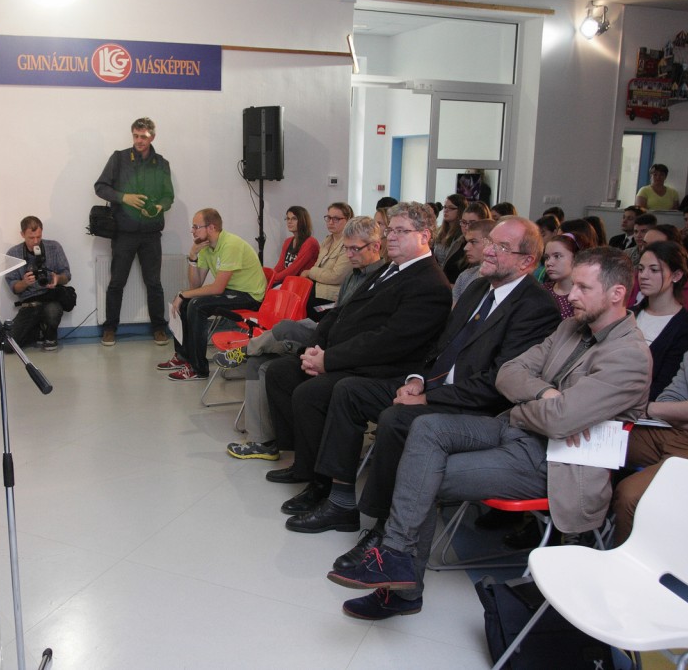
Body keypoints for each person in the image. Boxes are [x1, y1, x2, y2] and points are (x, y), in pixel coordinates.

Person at [328, 247, 650, 620]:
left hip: (556, 462)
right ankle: (396, 558)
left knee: (422, 473)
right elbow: (508, 373)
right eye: (573, 284)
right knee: (424, 426)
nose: (570, 294)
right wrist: (545, 395)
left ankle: (400, 585)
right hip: (515, 430)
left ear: (617, 294)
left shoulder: (630, 356)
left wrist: (530, 406)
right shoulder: (570, 328)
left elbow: (560, 421)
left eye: (583, 287)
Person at [283, 217, 560, 537]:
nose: (488, 251)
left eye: (502, 247)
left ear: (526, 261)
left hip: (477, 407)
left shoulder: (535, 307)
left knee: (397, 419)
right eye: (490, 242)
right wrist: (416, 380)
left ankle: (386, 527)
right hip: (435, 384)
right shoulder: (479, 288)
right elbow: (440, 347)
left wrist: (429, 397)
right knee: (348, 392)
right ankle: (340, 502)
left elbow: (498, 381)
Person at [262, 202, 452, 511]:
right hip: (351, 354)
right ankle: (304, 463)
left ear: (424, 236)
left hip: (385, 369)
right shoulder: (392, 268)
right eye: (390, 230)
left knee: (313, 392)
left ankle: (323, 485)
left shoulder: (429, 283)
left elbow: (388, 342)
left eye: (401, 231)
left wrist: (329, 360)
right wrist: (315, 347)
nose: (391, 237)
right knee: (282, 372)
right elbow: (343, 310)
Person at [224, 217, 388, 461]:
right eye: (346, 248)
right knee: (260, 363)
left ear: (376, 246)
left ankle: (247, 349)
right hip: (328, 328)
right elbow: (338, 310)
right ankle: (261, 441)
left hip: (339, 344)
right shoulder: (355, 275)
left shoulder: (382, 279)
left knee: (286, 328)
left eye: (355, 249)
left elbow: (362, 327)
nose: (349, 255)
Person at [618, 252, 688, 545]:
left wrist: (653, 409)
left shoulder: (687, 332)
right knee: (596, 443)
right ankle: (577, 532)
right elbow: (669, 399)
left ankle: (625, 566)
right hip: (683, 432)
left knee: (630, 495)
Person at [157, 208, 266, 381]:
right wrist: (193, 256)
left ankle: (198, 368)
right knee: (187, 302)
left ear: (211, 227)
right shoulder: (206, 248)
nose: (192, 231)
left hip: (250, 296)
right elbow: (196, 285)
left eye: (196, 226)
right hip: (231, 292)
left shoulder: (230, 245)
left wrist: (183, 294)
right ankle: (183, 357)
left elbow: (218, 288)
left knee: (196, 305)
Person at [95, 116, 174, 347]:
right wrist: (124, 197)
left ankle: (159, 328)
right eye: (136, 136)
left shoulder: (162, 163)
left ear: (152, 137)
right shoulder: (119, 158)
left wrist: (160, 207)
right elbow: (100, 187)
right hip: (124, 233)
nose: (139, 141)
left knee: (154, 283)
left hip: (151, 233)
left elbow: (169, 196)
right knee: (116, 283)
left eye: (144, 137)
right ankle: (110, 329)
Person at [634, 241, 688, 400]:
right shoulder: (629, 314)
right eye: (641, 269)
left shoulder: (685, 327)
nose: (644, 275)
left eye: (654, 270)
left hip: (645, 406)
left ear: (676, 275)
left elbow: (665, 385)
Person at [4, 216, 72, 351]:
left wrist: (58, 278)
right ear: (22, 234)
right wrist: (25, 283)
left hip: (50, 298)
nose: (35, 241)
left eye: (38, 237)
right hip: (30, 303)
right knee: (8, 347)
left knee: (53, 310)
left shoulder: (54, 247)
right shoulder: (13, 253)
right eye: (31, 238)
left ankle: (50, 333)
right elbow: (14, 287)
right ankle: (37, 331)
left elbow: (67, 275)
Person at [301, 202, 354, 315]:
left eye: (336, 219)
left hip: (331, 296)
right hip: (317, 288)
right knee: (290, 296)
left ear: (348, 220)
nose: (330, 222)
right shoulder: (327, 240)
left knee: (301, 305)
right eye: (329, 218)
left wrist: (310, 272)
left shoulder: (349, 244)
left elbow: (336, 276)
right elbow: (319, 267)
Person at [542, 231, 594, 319]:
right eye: (547, 257)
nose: (549, 263)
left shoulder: (587, 295)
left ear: (576, 257)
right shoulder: (542, 290)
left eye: (557, 256)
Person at [442, 201, 493, 284]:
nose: (467, 227)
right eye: (464, 222)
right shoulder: (458, 241)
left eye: (472, 223)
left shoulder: (484, 249)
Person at [451, 219, 496, 304]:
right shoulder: (464, 276)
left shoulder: (500, 279)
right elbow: (455, 311)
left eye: (473, 242)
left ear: (490, 242)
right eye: (467, 242)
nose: (466, 248)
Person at [271, 206, 319, 286]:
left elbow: (293, 270)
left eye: (294, 219)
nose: (289, 222)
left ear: (303, 221)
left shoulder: (310, 242)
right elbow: (280, 266)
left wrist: (273, 279)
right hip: (286, 281)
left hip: (301, 285)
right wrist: (270, 276)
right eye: (288, 219)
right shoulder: (287, 241)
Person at [432, 193, 467, 268]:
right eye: (445, 207)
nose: (446, 210)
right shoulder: (440, 230)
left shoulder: (462, 233)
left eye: (451, 208)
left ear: (460, 210)